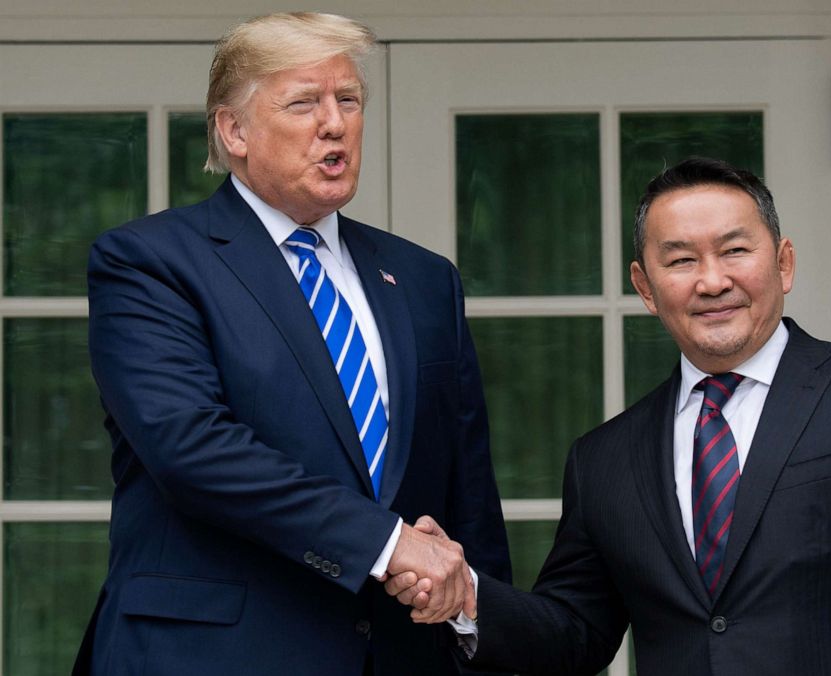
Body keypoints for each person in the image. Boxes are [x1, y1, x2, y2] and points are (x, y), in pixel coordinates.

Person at [389, 157, 831, 674]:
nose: (712, 281)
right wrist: (468, 594)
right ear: (645, 287)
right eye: (679, 261)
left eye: (735, 250)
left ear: (783, 263)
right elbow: (576, 632)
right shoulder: (604, 459)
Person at [73, 12, 509, 676]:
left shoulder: (423, 279)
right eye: (304, 102)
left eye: (349, 100)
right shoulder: (149, 262)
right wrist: (388, 545)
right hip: (210, 656)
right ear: (234, 130)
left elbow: (466, 493)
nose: (334, 123)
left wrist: (479, 623)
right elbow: (192, 448)